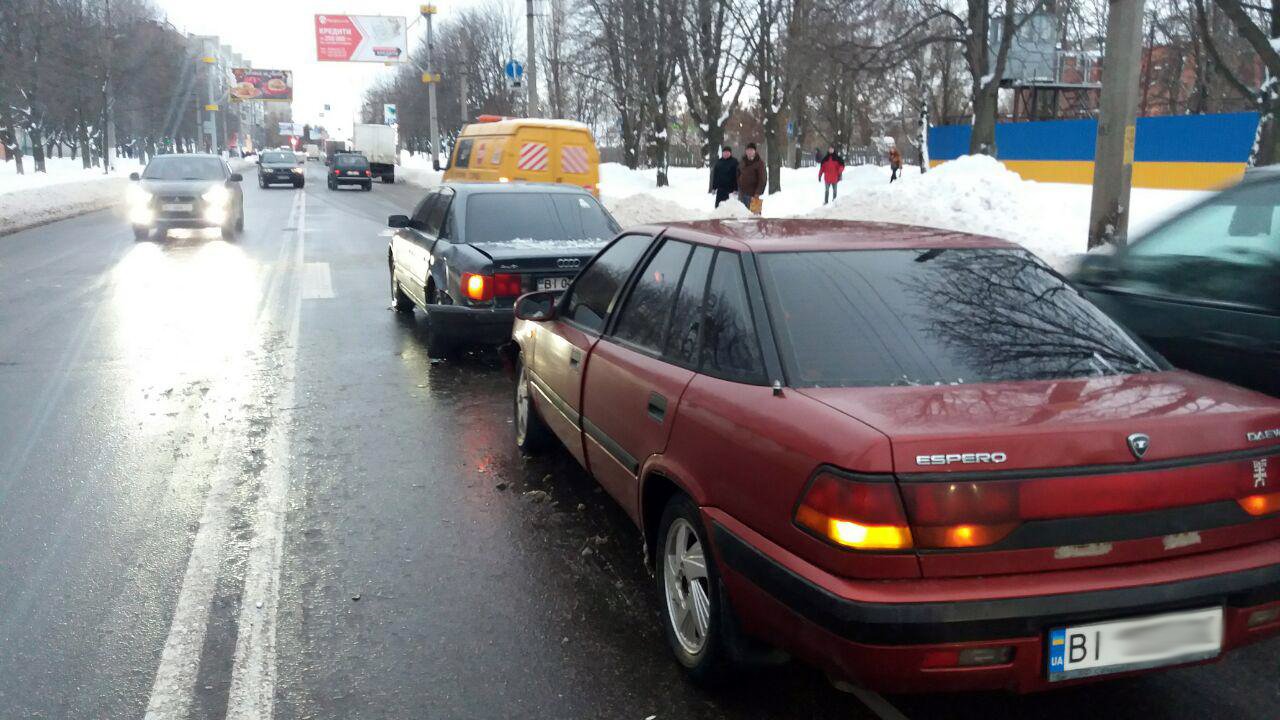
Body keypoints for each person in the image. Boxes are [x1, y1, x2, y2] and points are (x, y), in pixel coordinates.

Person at [737, 142, 766, 211]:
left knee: (754, 214)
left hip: (753, 194)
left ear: (755, 151)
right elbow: (738, 174)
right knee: (742, 214)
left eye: (751, 150)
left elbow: (762, 179)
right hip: (742, 193)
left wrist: (758, 192)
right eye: (748, 150)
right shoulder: (742, 161)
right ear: (746, 151)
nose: (749, 152)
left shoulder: (759, 163)